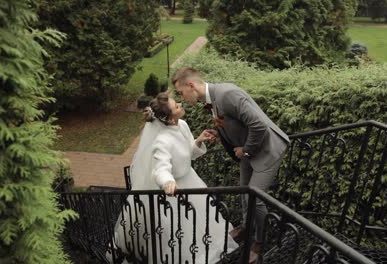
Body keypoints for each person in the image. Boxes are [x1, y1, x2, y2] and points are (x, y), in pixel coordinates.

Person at [172, 67, 290, 263]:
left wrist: (244, 150)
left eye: (180, 92)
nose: (181, 98)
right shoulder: (212, 100)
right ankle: (246, 227)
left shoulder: (227, 95)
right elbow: (237, 123)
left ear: (191, 85)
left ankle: (260, 243)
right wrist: (220, 134)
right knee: (245, 192)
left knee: (256, 199)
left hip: (268, 150)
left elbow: (259, 125)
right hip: (249, 152)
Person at [109, 93, 238, 264]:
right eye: (176, 106)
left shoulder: (182, 124)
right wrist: (167, 181)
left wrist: (198, 141)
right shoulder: (161, 142)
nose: (179, 104)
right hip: (175, 191)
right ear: (169, 119)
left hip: (191, 181)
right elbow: (161, 168)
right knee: (182, 230)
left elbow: (186, 153)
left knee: (202, 223)